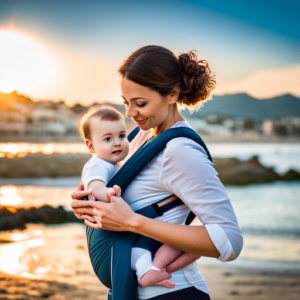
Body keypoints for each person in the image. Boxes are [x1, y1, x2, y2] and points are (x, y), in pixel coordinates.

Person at [71, 45, 244, 300]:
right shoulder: (139, 136)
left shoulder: (180, 151)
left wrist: (132, 221)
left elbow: (230, 241)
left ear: (173, 94)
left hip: (172, 292)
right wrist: (87, 203)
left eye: (140, 103)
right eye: (126, 102)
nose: (129, 113)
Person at [79, 106, 203, 289]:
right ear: (90, 146)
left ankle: (154, 269)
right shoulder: (98, 165)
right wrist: (107, 193)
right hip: (124, 241)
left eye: (121, 136)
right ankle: (151, 270)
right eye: (108, 139)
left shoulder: (115, 165)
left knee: (188, 246)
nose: (117, 143)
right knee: (191, 244)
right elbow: (94, 185)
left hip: (131, 238)